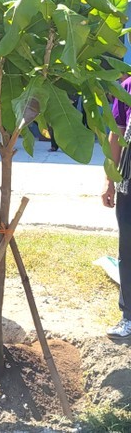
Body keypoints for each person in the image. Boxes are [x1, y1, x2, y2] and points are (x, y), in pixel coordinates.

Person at [102, 75, 131, 339]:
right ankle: (128, 317)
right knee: (128, 249)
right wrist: (109, 181)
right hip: (128, 183)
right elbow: (116, 134)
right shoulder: (126, 88)